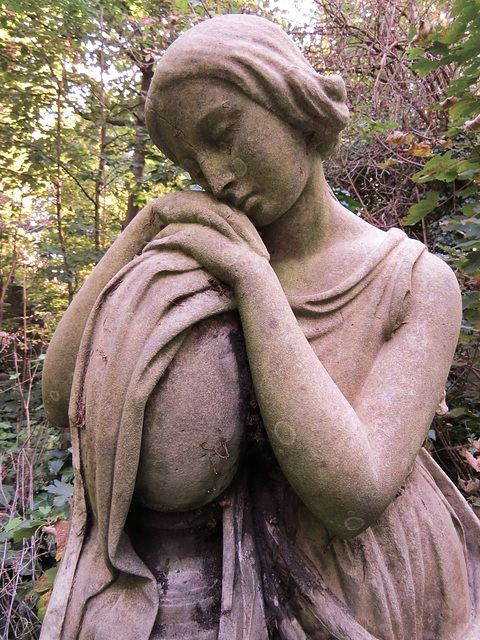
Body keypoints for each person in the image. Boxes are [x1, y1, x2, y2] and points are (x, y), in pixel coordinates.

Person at [40, 14, 480, 640]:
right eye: (192, 163)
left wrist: (255, 282)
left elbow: (353, 497)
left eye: (221, 133)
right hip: (241, 591)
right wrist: (147, 225)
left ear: (291, 99)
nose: (214, 176)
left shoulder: (414, 283)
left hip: (377, 588)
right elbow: (63, 399)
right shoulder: (205, 261)